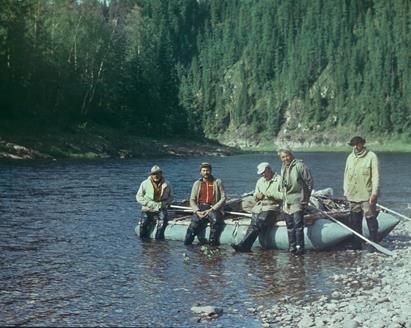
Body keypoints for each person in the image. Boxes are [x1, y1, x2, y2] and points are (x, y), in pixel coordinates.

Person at [231, 162, 282, 252]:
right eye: (261, 173)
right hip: (260, 206)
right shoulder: (260, 181)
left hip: (273, 206)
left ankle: (243, 246)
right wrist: (257, 196)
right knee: (253, 224)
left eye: (264, 172)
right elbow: (255, 194)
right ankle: (245, 246)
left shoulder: (280, 180)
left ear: (269, 169)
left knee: (260, 220)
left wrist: (270, 195)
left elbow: (284, 195)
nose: (262, 175)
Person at [343, 136, 380, 250]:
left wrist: (374, 193)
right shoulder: (350, 157)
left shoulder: (371, 156)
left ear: (362, 144)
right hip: (353, 195)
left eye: (357, 144)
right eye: (353, 144)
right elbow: (346, 176)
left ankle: (374, 244)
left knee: (371, 219)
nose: (355, 146)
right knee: (355, 221)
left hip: (366, 195)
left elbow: (376, 176)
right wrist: (345, 191)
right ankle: (356, 244)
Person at [278, 149, 314, 255]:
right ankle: (292, 247)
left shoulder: (300, 166)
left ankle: (300, 248)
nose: (285, 159)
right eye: (283, 157)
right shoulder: (283, 167)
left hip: (298, 200)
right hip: (287, 201)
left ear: (291, 155)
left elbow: (309, 182)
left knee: (298, 225)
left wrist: (306, 198)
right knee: (289, 225)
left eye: (287, 156)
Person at [184, 162, 226, 246]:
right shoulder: (197, 183)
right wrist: (196, 211)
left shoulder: (217, 182)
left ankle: (212, 245)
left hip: (213, 207)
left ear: (210, 171)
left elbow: (223, 198)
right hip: (200, 208)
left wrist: (212, 209)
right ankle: (187, 245)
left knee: (216, 221)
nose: (206, 172)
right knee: (193, 225)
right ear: (200, 172)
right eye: (204, 170)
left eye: (207, 170)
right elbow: (192, 199)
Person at [136, 165, 173, 240]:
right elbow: (138, 197)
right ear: (151, 175)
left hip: (161, 207)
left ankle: (158, 244)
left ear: (161, 174)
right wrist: (149, 204)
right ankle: (145, 244)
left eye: (158, 173)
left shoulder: (167, 184)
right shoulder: (144, 183)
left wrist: (164, 203)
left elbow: (171, 197)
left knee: (161, 225)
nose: (156, 176)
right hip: (148, 208)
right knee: (143, 225)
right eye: (154, 174)